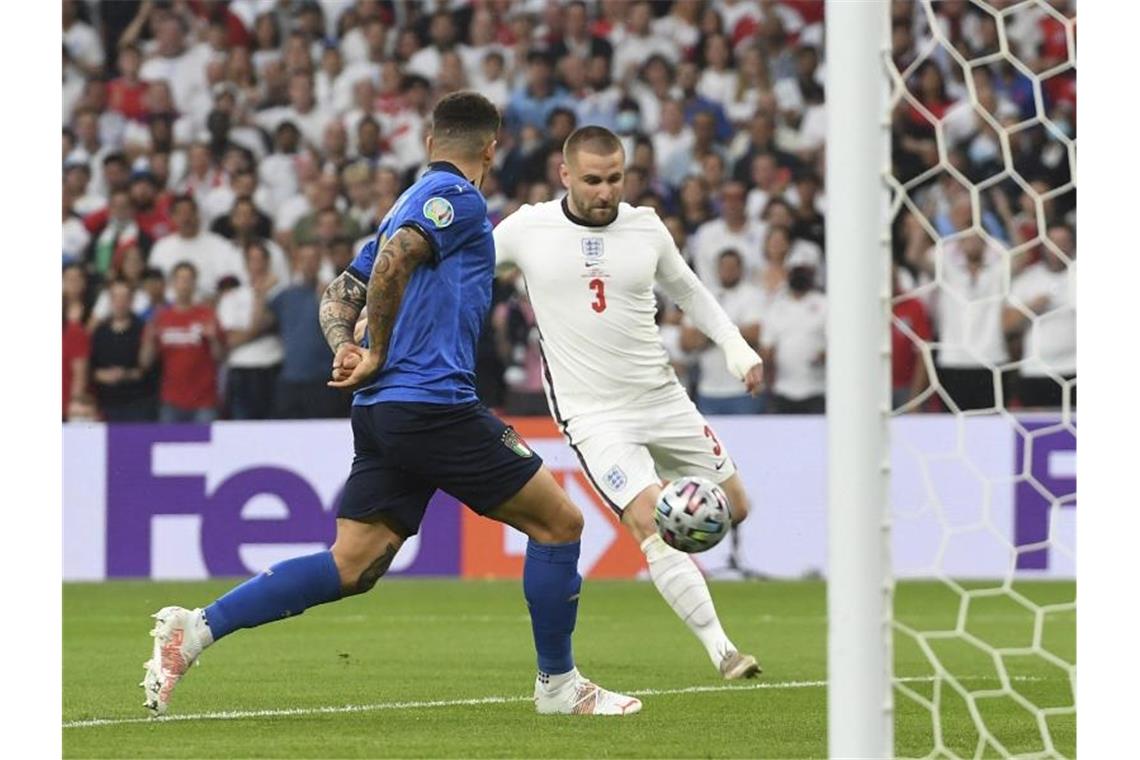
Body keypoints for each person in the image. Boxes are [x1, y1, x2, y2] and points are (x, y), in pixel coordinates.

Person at [141, 92, 641, 718]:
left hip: (384, 413)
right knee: (561, 525)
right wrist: (371, 353)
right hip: (432, 403)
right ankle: (559, 686)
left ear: (431, 142)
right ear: (492, 148)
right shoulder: (457, 200)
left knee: (353, 564)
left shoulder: (404, 204)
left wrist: (346, 344)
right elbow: (397, 259)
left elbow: (341, 287)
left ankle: (197, 629)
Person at [492, 126, 764, 680]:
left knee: (735, 506)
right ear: (564, 175)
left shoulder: (645, 227)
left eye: (615, 178)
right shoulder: (527, 228)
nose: (605, 191)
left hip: (662, 397)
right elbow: (464, 268)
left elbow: (688, 290)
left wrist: (736, 348)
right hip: (594, 415)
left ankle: (684, 567)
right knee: (652, 521)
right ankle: (723, 650)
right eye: (592, 180)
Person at [681, 249, 767, 414]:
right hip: (708, 390)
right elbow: (687, 341)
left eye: (733, 267)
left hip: (743, 390)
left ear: (741, 269)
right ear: (717, 269)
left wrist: (709, 333)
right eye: (724, 267)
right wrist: (730, 335)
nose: (728, 271)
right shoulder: (702, 295)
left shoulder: (752, 295)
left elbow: (755, 335)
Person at [140, 262, 224, 423]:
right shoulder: (160, 318)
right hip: (171, 401)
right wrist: (150, 339)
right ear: (172, 283)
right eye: (180, 279)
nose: (184, 284)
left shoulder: (207, 315)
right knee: (169, 447)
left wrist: (213, 338)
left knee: (203, 448)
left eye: (188, 279)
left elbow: (219, 357)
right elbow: (145, 362)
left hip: (204, 401)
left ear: (194, 283)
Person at [89, 279, 157, 422]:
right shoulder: (99, 332)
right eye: (116, 297)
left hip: (138, 404)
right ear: (110, 301)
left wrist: (125, 375)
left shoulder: (143, 329)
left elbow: (147, 368)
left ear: (132, 301)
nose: (120, 302)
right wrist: (102, 375)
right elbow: (92, 368)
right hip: (105, 405)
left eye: (124, 297)